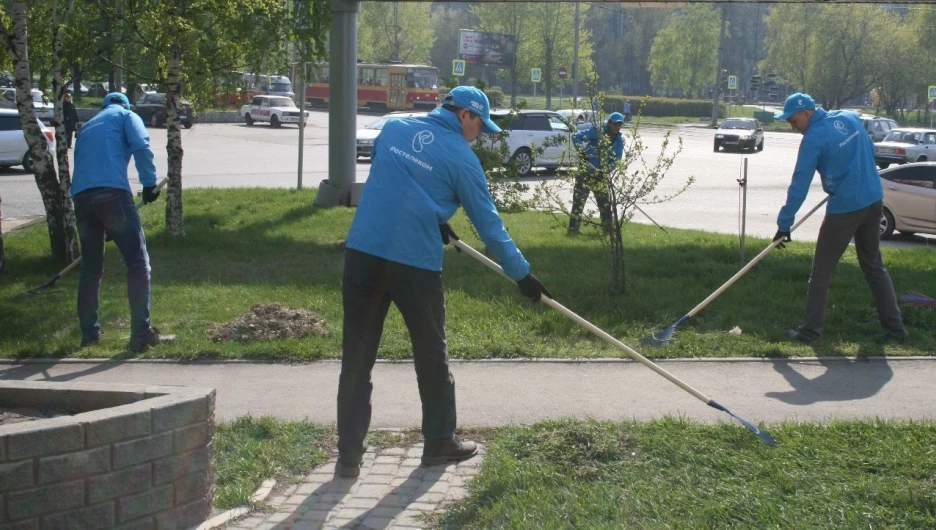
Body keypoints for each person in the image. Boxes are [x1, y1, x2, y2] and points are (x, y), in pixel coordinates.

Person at [337, 86, 551, 477]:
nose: (481, 134)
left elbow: (399, 183)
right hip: (413, 266)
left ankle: (348, 459)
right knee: (431, 356)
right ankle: (438, 444)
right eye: (480, 125)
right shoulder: (462, 159)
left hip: (363, 255)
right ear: (464, 115)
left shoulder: (395, 129)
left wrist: (431, 213)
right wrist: (522, 275)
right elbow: (489, 225)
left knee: (357, 360)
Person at [772, 92, 906, 343]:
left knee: (821, 272)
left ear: (807, 113)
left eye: (793, 121)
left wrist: (784, 225)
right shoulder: (850, 118)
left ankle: (810, 331)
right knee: (874, 266)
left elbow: (799, 184)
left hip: (845, 207)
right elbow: (869, 151)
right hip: (874, 199)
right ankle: (896, 329)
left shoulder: (813, 138)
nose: (792, 126)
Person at [71, 93, 174, 353]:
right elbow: (141, 146)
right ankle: (141, 334)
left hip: (82, 199)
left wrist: (103, 222)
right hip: (112, 194)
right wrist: (149, 184)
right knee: (138, 264)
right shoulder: (127, 116)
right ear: (125, 105)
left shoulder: (87, 126)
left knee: (91, 269)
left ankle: (89, 335)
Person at [568, 112, 625, 234]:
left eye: (620, 124)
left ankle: (608, 231)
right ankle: (573, 230)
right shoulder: (597, 131)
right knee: (579, 202)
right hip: (585, 172)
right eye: (615, 124)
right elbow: (576, 137)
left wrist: (605, 171)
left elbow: (616, 160)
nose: (617, 127)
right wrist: (582, 154)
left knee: (605, 204)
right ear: (609, 123)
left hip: (601, 176)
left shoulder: (619, 140)